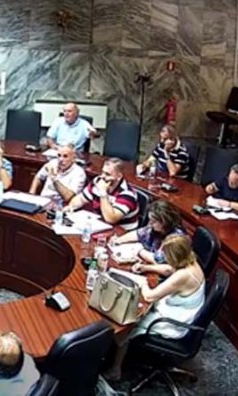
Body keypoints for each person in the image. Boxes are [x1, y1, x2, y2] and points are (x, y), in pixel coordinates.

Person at [104, 234, 205, 381]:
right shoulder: (191, 260)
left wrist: (143, 283)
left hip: (174, 322)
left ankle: (115, 370)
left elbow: (149, 297)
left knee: (129, 322)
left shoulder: (183, 275)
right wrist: (146, 267)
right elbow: (169, 270)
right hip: (182, 309)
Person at [110, 200, 186, 276]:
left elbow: (161, 263)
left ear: (164, 221)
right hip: (150, 267)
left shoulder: (176, 239)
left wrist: (139, 250)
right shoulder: (155, 228)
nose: (150, 223)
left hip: (164, 276)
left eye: (153, 221)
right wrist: (118, 240)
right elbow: (138, 234)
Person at [63, 157, 139, 229]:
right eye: (102, 172)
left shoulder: (127, 194)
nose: (102, 176)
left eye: (107, 174)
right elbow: (81, 198)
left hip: (122, 231)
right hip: (102, 224)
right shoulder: (98, 181)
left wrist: (103, 193)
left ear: (119, 176)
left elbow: (111, 219)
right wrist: (71, 207)